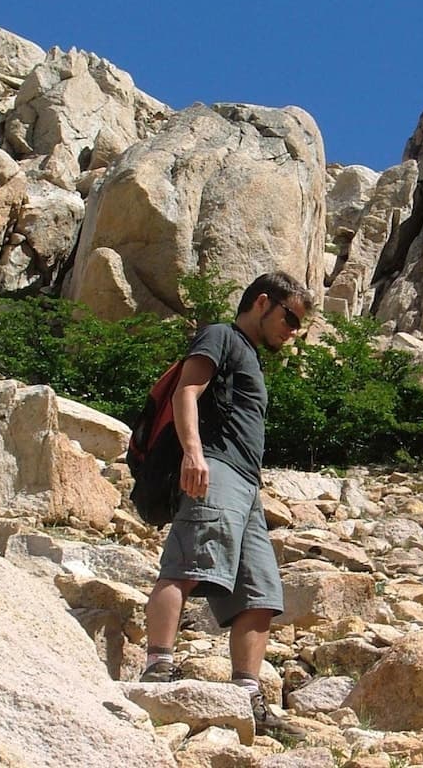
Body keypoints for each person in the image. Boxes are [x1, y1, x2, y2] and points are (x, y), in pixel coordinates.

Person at [140, 270, 314, 734]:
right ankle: (157, 668)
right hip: (215, 469)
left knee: (261, 595)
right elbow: (187, 391)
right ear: (262, 302)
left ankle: (247, 698)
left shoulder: (250, 356)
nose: (293, 331)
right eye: (291, 318)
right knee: (187, 566)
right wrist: (193, 453)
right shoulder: (222, 335)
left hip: (246, 485)